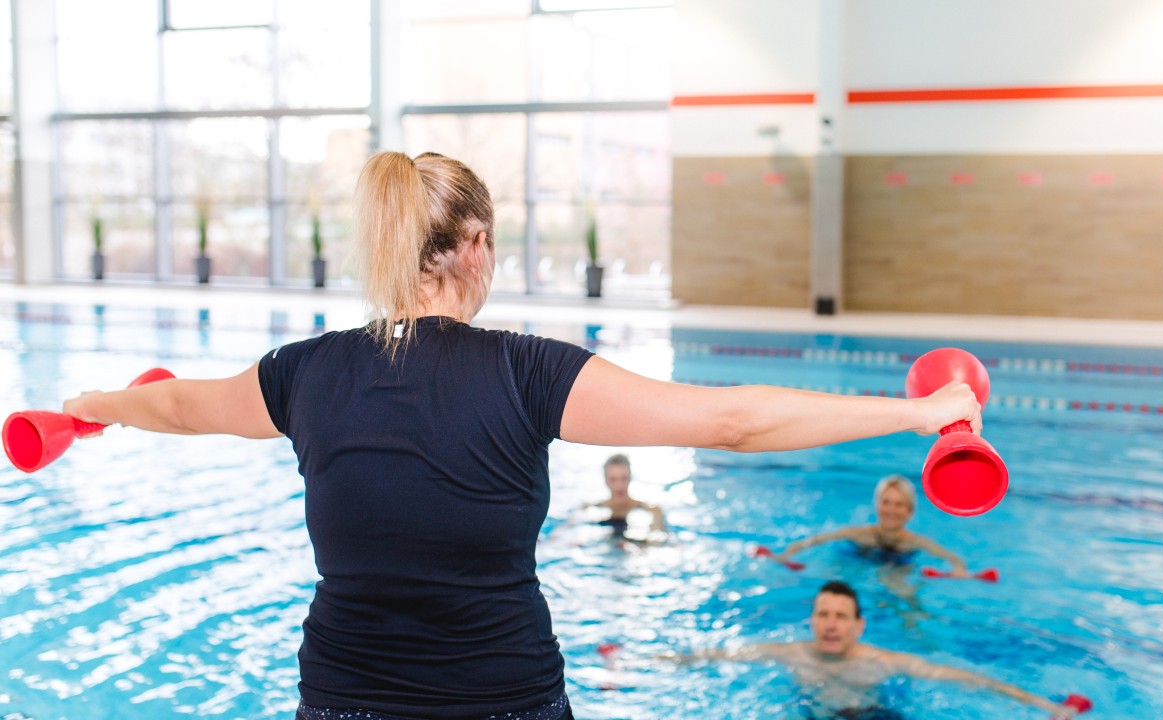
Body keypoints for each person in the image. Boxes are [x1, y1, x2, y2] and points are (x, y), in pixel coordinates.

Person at [61, 150, 983, 720]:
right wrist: (917, 413)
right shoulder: (528, 372)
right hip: (503, 700)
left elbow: (181, 405)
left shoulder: (303, 374)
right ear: (473, 244)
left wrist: (87, 408)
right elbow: (730, 418)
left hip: (342, 698)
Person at [679, 581, 1081, 719]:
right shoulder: (788, 652)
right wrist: (636, 661)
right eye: (823, 615)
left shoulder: (882, 661)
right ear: (812, 621)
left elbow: (965, 679)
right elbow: (714, 656)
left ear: (859, 626)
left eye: (840, 616)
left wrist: (1043, 705)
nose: (831, 624)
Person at [779, 475, 971, 576]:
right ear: (877, 506)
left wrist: (959, 570)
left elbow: (953, 558)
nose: (891, 510)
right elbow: (817, 540)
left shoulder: (915, 543)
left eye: (899, 504)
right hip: (860, 558)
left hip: (899, 564)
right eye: (886, 502)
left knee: (903, 591)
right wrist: (788, 553)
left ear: (909, 511)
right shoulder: (860, 534)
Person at [582, 453, 666, 538]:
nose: (619, 486)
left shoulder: (653, 510)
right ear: (606, 480)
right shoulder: (588, 509)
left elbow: (657, 538)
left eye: (624, 478)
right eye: (613, 479)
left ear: (630, 478)